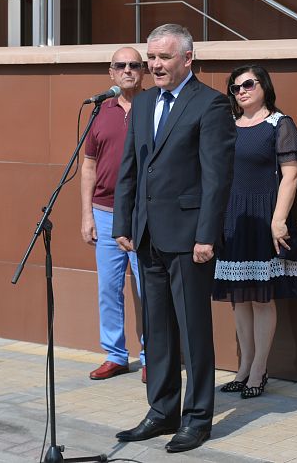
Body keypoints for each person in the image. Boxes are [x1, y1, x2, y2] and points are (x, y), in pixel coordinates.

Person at [112, 24, 236, 453]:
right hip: (147, 235)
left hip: (189, 239)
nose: (155, 65)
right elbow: (131, 166)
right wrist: (123, 224)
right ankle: (161, 411)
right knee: (157, 329)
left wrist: (207, 235)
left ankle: (198, 418)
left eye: (164, 57)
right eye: (152, 57)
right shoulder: (143, 102)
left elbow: (217, 179)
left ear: (187, 59)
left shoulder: (212, 105)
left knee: (193, 331)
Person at [212, 65, 297, 400]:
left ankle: (259, 370)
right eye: (235, 88)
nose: (242, 91)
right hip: (234, 217)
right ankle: (243, 367)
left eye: (248, 84)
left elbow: (290, 175)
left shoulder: (281, 125)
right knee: (240, 299)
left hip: (265, 216)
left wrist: (278, 220)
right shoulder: (228, 126)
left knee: (261, 299)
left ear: (264, 85)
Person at [81, 47, 146, 382]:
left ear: (144, 71)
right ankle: (115, 354)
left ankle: (153, 355)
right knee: (108, 288)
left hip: (142, 214)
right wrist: (86, 215)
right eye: (120, 65)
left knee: (148, 288)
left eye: (134, 65)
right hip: (104, 213)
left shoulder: (154, 107)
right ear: (111, 72)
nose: (127, 70)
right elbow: (88, 166)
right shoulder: (100, 112)